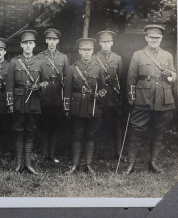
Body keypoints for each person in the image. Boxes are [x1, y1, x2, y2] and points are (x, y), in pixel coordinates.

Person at [125, 25, 176, 175]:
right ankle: (131, 164)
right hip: (143, 98)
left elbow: (173, 74)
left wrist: (171, 75)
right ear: (146, 38)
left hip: (163, 97)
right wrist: (131, 97)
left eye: (157, 38)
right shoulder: (138, 55)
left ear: (161, 39)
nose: (155, 40)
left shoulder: (167, 55)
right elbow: (131, 78)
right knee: (136, 130)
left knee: (159, 130)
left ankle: (153, 163)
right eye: (152, 38)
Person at [6, 30, 49, 175]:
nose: (28, 46)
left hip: (34, 102)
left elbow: (46, 81)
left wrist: (39, 86)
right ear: (21, 45)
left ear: (34, 45)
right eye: (25, 43)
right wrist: (10, 103)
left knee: (31, 131)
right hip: (18, 101)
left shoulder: (40, 62)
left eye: (30, 43)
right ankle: (18, 164)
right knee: (18, 131)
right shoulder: (14, 62)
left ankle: (29, 164)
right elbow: (9, 85)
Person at [63, 38, 107, 175]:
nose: (86, 53)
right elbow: (67, 90)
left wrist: (100, 94)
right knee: (77, 135)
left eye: (89, 50)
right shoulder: (72, 68)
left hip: (93, 106)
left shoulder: (98, 68)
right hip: (77, 106)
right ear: (79, 51)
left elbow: (105, 88)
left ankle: (88, 165)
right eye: (84, 50)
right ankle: (74, 165)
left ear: (93, 51)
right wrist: (67, 108)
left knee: (90, 135)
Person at [36, 28, 69, 163]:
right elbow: (36, 77)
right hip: (45, 95)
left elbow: (66, 78)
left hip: (57, 96)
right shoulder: (39, 57)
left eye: (54, 40)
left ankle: (52, 153)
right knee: (44, 126)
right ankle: (44, 154)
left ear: (58, 41)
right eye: (49, 39)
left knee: (55, 126)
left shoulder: (63, 57)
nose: (51, 42)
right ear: (46, 40)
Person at [94, 30, 123, 159]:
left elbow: (120, 77)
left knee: (116, 125)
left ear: (112, 43)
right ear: (100, 43)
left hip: (113, 97)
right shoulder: (94, 57)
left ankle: (118, 152)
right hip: (99, 96)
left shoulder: (117, 58)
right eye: (103, 42)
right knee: (96, 124)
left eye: (108, 42)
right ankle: (94, 152)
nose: (106, 44)